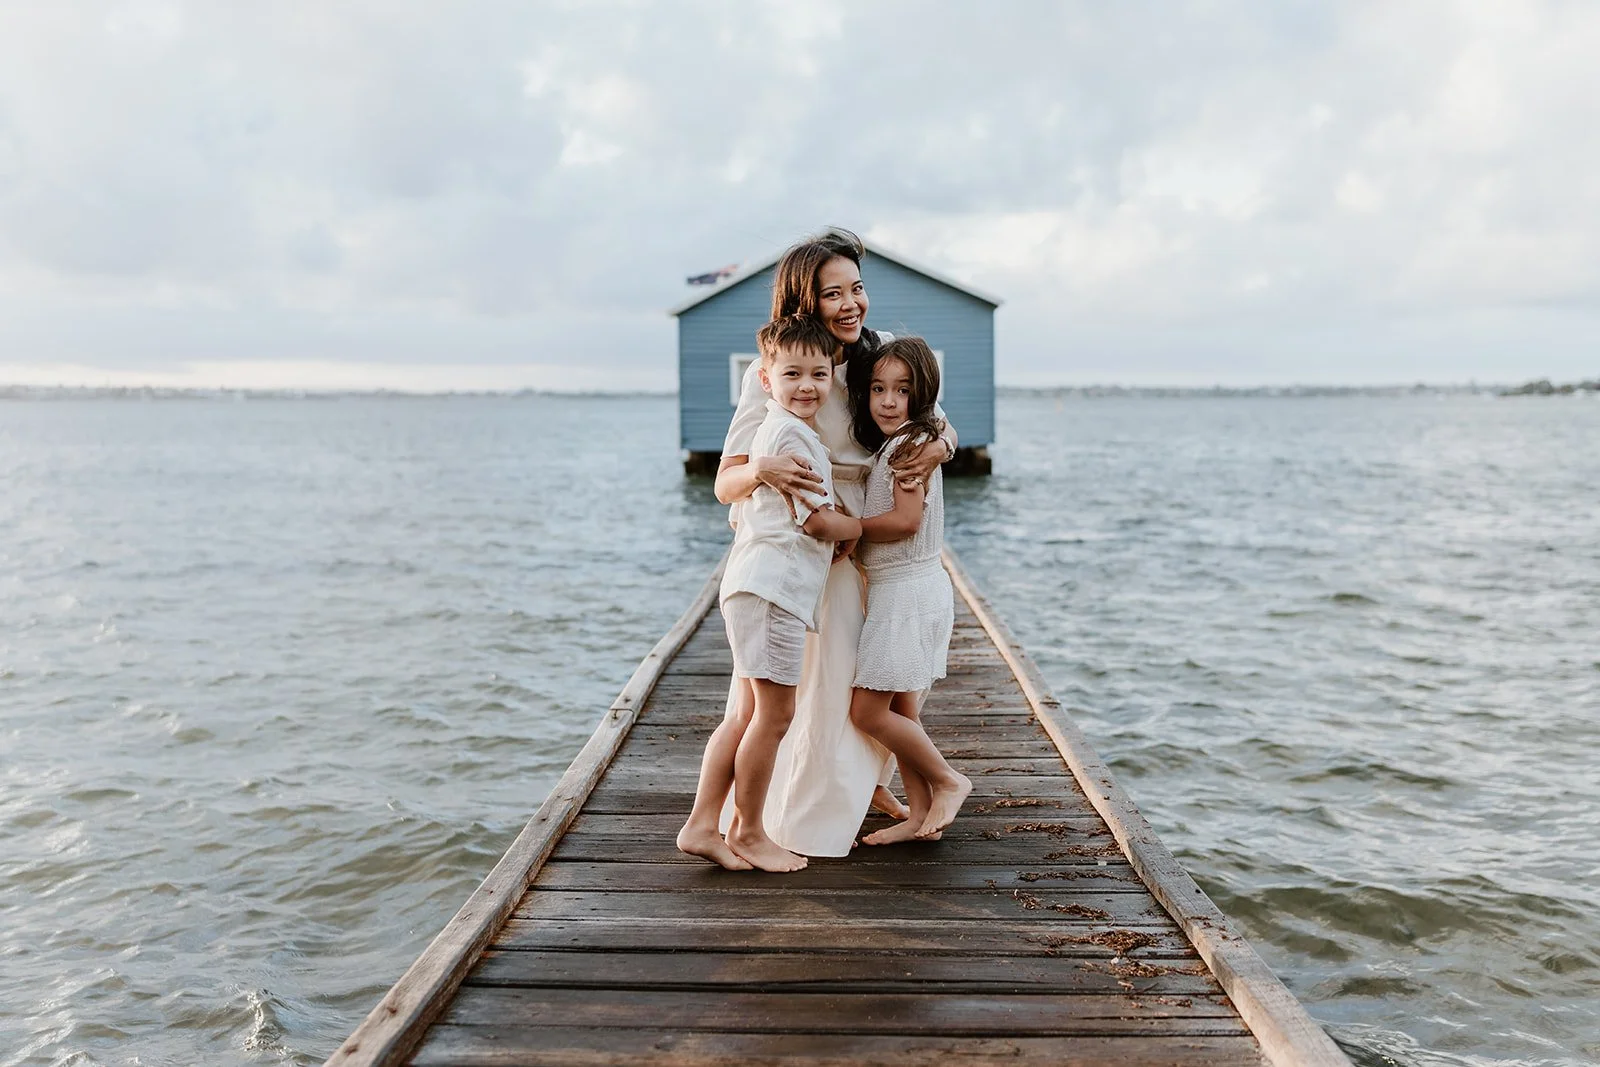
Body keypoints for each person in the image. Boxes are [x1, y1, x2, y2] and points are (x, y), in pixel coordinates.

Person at [675, 228, 958, 864]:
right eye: (834, 294)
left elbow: (934, 414)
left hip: (862, 539)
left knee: (863, 682)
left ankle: (861, 792)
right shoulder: (772, 375)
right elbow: (727, 481)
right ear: (805, 302)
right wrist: (764, 473)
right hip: (806, 544)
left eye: (857, 288)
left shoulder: (877, 353)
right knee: (794, 690)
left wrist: (941, 446)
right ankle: (773, 816)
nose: (851, 304)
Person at [714, 314, 862, 872]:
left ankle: (712, 828)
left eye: (819, 375)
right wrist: (860, 527)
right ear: (764, 379)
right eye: (793, 373)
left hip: (755, 584)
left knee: (751, 714)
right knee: (774, 717)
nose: (807, 386)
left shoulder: (781, 430)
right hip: (773, 590)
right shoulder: (792, 435)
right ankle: (750, 832)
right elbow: (818, 523)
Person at [846, 337, 971, 843]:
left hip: (904, 595)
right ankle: (921, 817)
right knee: (902, 710)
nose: (888, 401)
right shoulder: (915, 438)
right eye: (878, 389)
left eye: (902, 390)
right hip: (913, 589)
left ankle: (947, 779)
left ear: (923, 396)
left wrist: (844, 525)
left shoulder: (907, 446)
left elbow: (903, 520)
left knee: (867, 711)